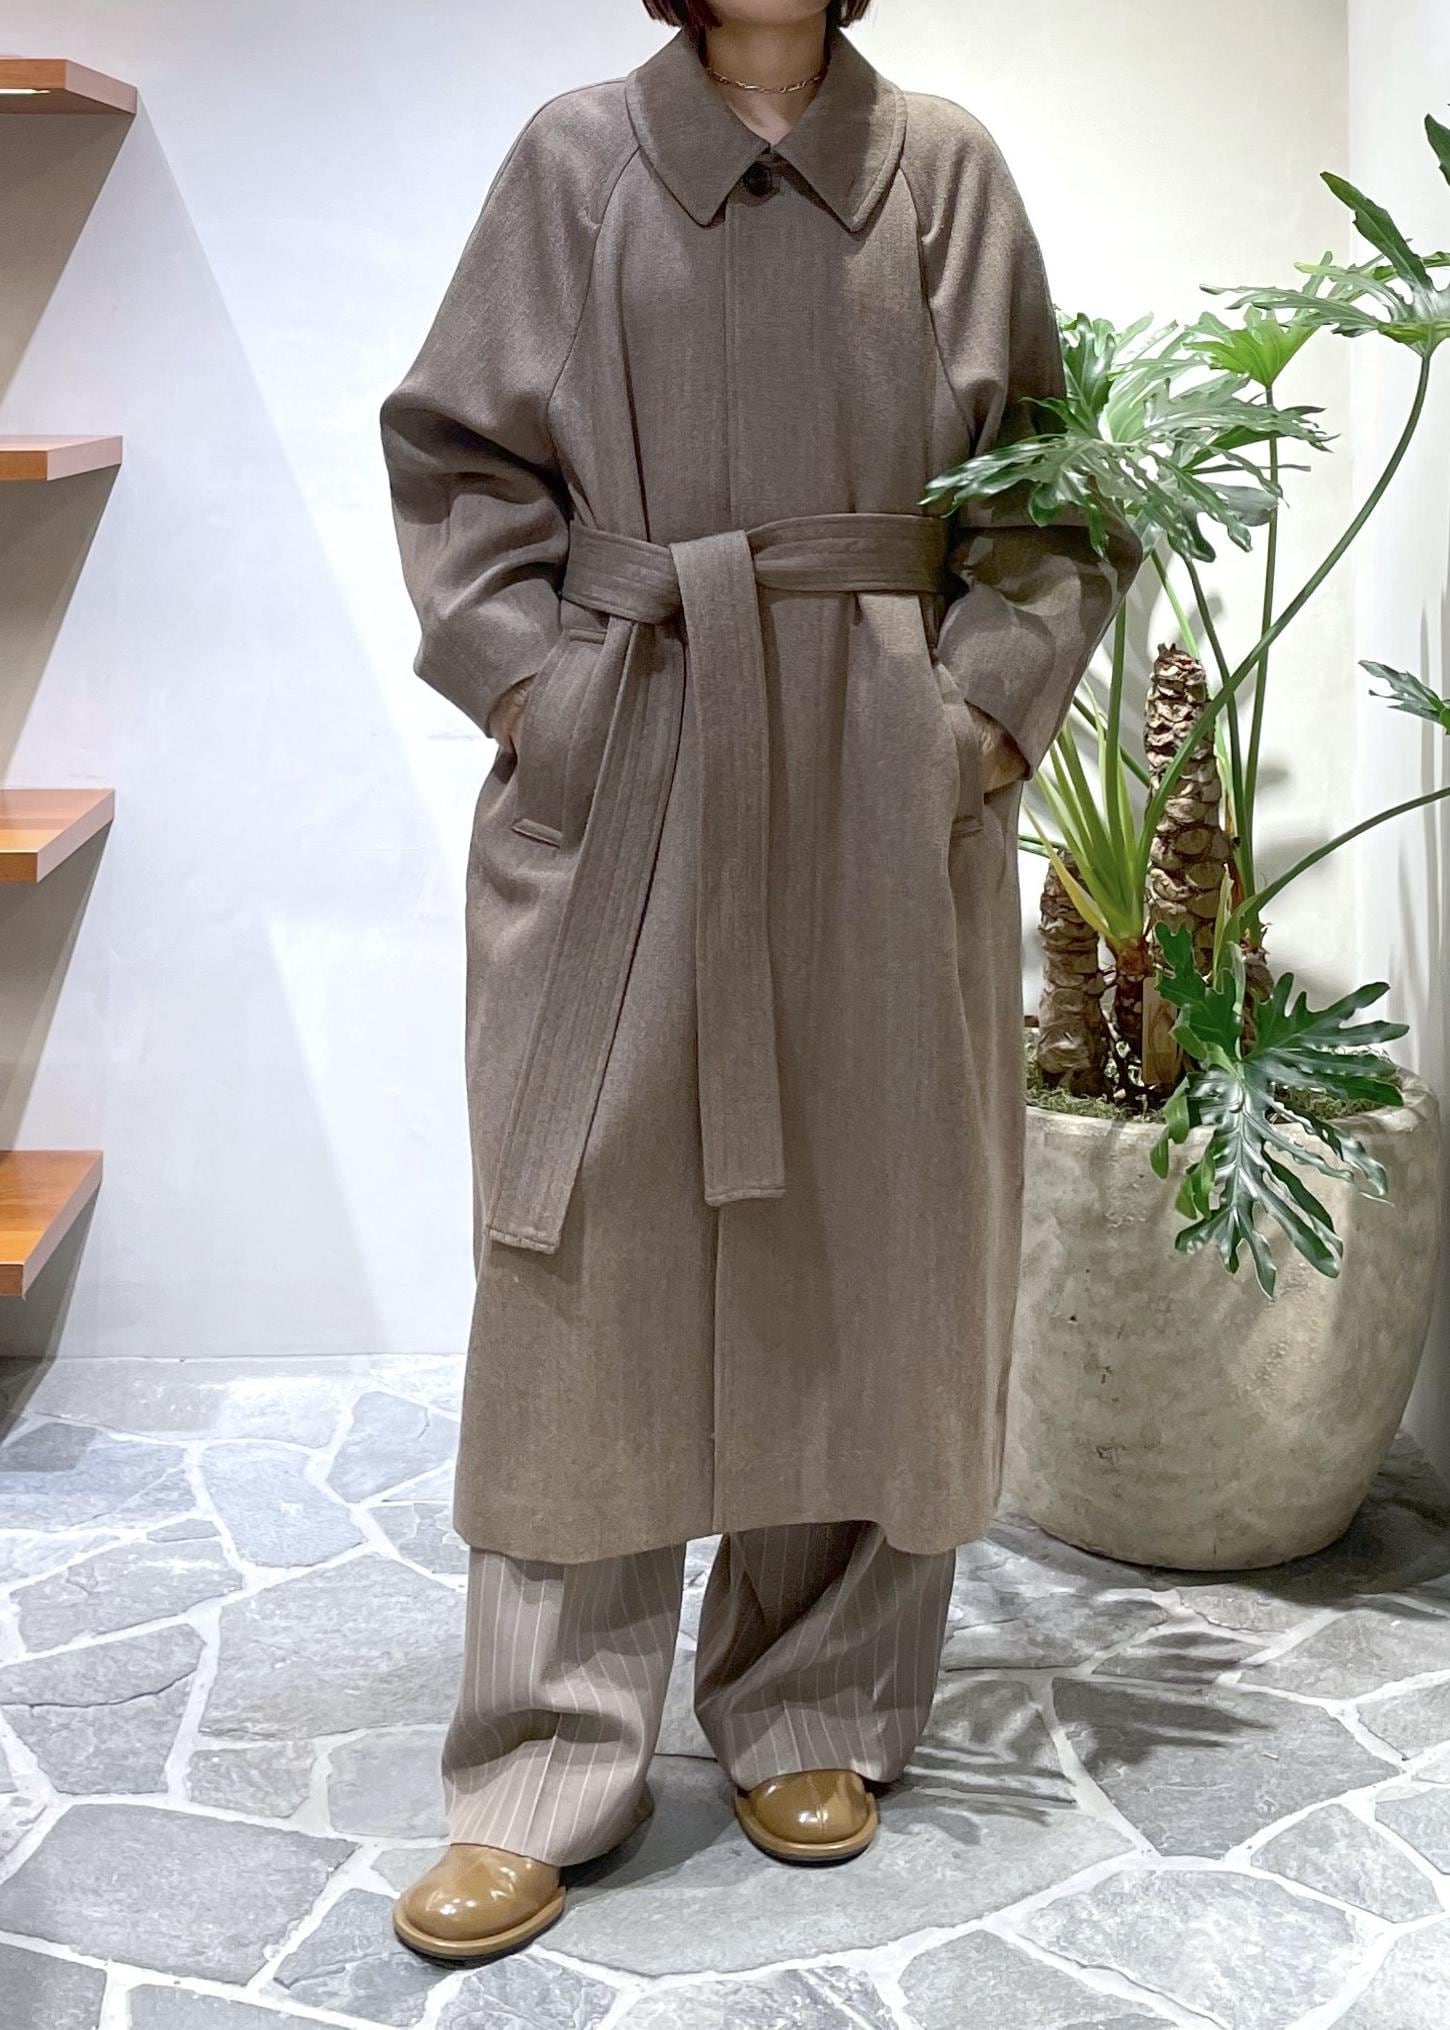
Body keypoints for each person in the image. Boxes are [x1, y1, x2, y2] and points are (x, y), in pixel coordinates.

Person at [379, 0, 1141, 1963]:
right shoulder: (575, 158)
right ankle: (542, 1759)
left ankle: (812, 1701)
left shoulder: (941, 169)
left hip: (875, 791)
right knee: (584, 1257)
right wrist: (542, 699)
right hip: (634, 756)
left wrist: (967, 726)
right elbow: (456, 459)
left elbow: (1047, 495)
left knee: (865, 1235)